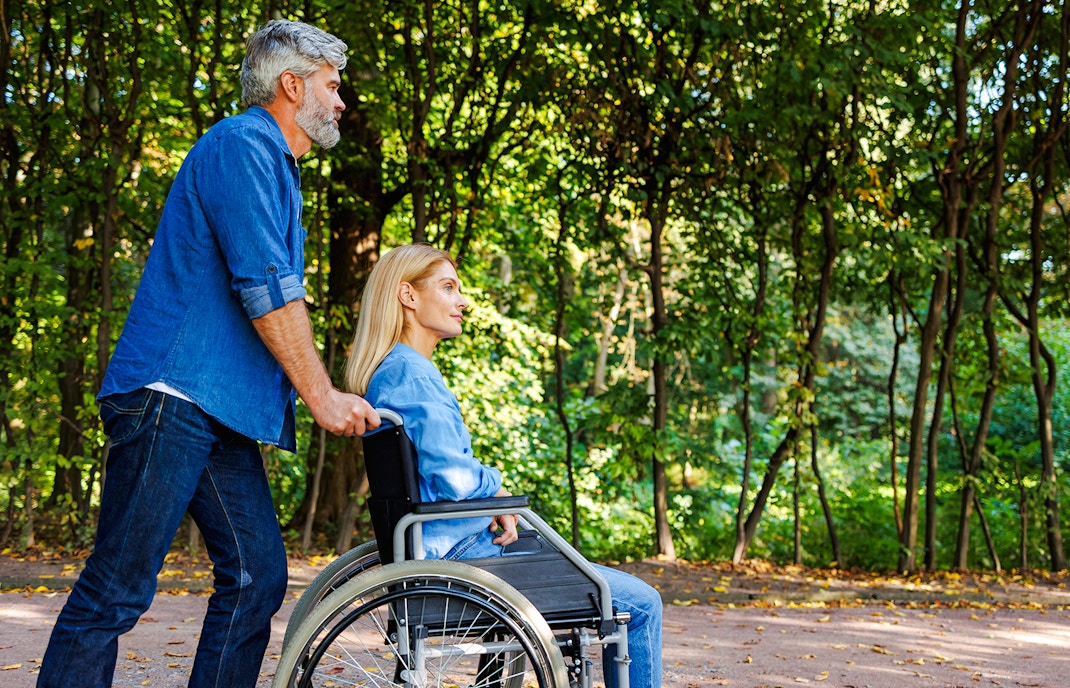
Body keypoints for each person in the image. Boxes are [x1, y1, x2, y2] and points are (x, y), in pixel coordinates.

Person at [37, 20, 380, 688]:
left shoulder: (277, 166)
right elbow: (267, 289)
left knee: (257, 577)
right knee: (117, 589)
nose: (341, 102)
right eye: (332, 86)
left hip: (215, 408)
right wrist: (321, 396)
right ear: (292, 85)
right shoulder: (242, 146)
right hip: (171, 395)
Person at [344, 243, 663, 688]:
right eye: (448, 287)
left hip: (444, 550)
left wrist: (491, 500)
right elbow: (453, 479)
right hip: (459, 561)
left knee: (551, 550)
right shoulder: (411, 375)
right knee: (642, 603)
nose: (462, 301)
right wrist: (495, 491)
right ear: (408, 295)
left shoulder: (396, 371)